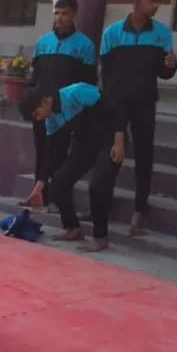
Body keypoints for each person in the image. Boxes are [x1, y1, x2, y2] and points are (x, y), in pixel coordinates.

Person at [100, 0, 177, 236]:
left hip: (145, 102)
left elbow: (164, 72)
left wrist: (170, 66)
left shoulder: (162, 33)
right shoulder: (112, 33)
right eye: (151, 1)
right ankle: (103, 205)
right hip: (117, 102)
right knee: (112, 155)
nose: (156, 6)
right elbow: (107, 73)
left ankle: (139, 211)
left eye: (158, 1)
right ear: (136, 0)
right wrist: (110, 104)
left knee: (144, 156)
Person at [19, 83, 126, 252]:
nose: (39, 119)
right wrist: (39, 187)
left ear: (45, 102)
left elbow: (116, 108)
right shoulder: (51, 119)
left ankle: (100, 237)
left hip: (110, 142)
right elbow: (51, 154)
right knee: (58, 183)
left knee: (98, 185)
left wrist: (119, 143)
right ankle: (73, 228)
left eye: (37, 114)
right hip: (85, 145)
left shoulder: (77, 92)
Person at [22, 0, 97, 209]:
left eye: (65, 13)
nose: (59, 18)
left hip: (65, 110)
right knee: (41, 151)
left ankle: (57, 199)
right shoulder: (42, 42)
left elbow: (89, 81)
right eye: (56, 13)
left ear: (74, 15)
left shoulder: (85, 45)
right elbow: (35, 77)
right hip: (41, 107)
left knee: (59, 154)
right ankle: (38, 195)